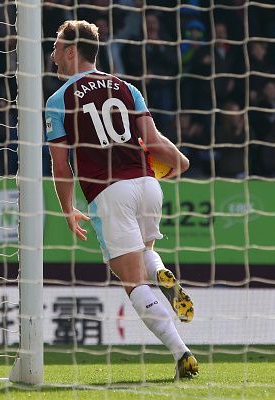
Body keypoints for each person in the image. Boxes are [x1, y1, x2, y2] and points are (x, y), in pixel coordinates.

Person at [45, 20, 198, 379]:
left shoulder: (59, 99)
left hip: (109, 192)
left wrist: (68, 208)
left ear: (71, 51)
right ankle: (160, 269)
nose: (52, 56)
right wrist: (181, 161)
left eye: (56, 47)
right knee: (144, 254)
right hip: (147, 184)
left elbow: (60, 164)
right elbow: (154, 140)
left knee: (133, 283)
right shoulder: (127, 88)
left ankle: (181, 353)